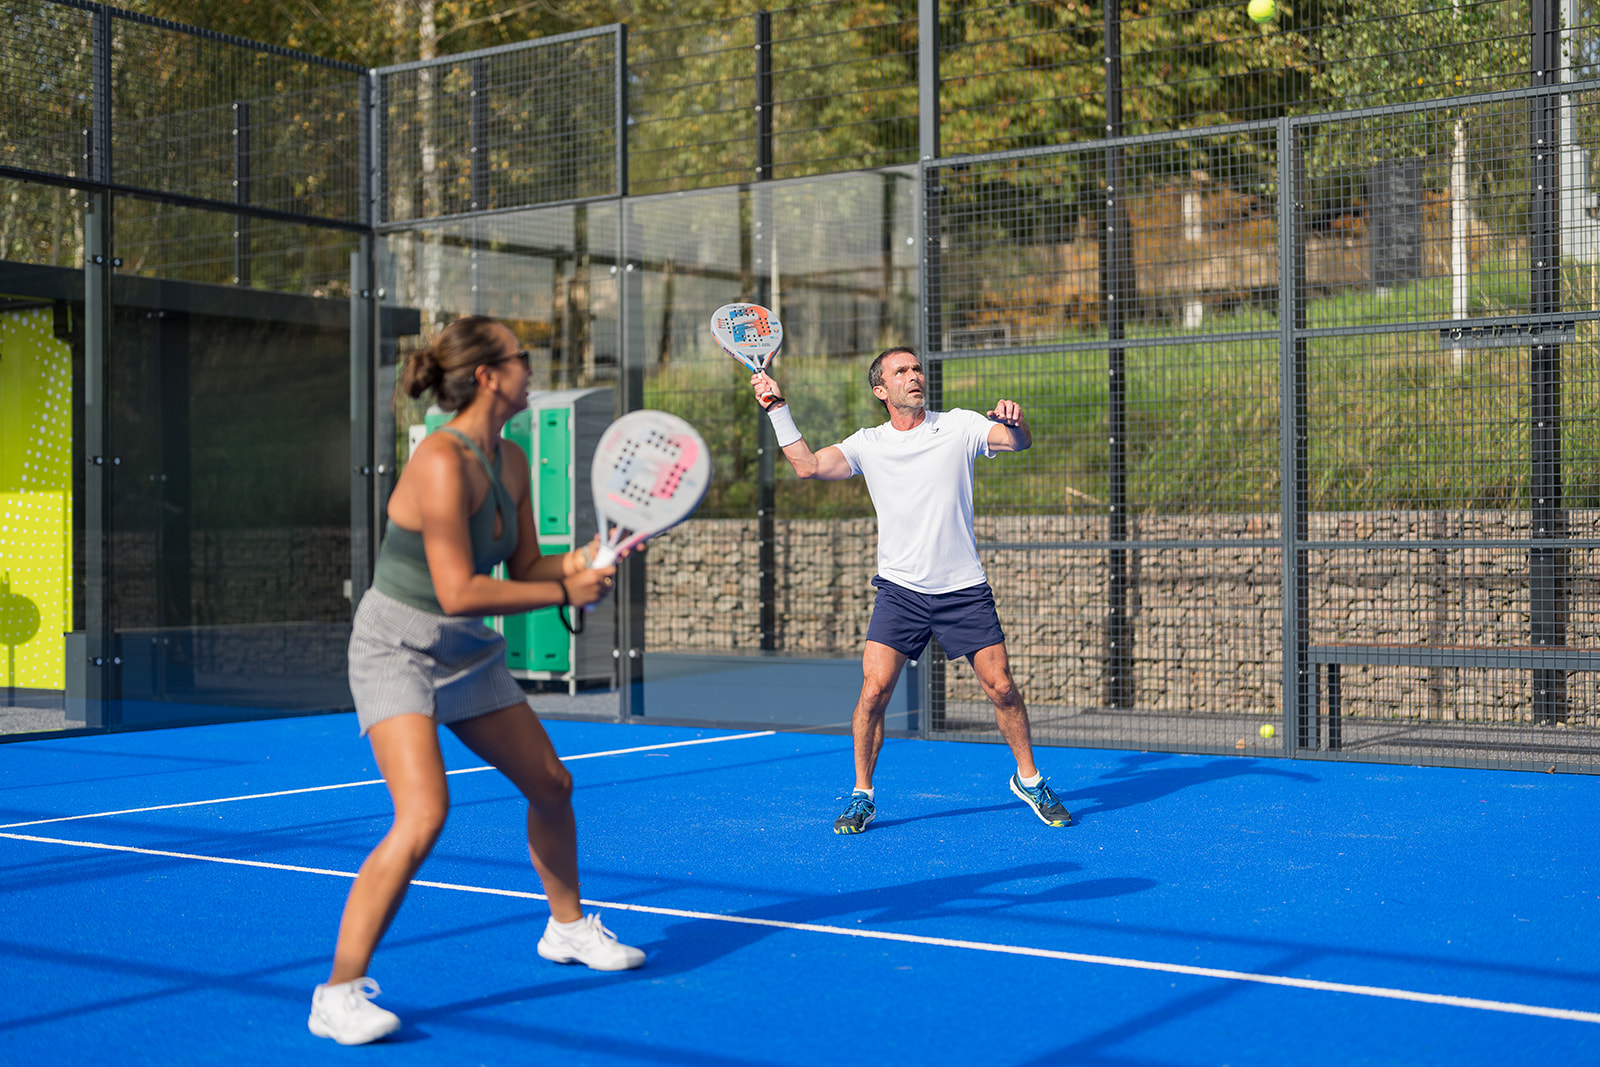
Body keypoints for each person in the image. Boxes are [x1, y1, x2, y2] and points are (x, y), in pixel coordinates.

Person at [309, 316, 644, 1046]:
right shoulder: (439, 459)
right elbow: (458, 587)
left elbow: (525, 568)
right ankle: (335, 992)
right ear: (490, 375)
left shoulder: (513, 459)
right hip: (395, 646)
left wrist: (579, 560)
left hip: (465, 651)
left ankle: (566, 928)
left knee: (552, 784)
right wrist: (568, 593)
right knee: (424, 814)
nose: (534, 368)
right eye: (524, 359)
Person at [751, 346, 1072, 835]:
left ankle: (1029, 780)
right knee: (874, 692)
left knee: (1002, 688)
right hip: (900, 592)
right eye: (901, 371)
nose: (914, 376)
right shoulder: (868, 443)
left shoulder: (960, 426)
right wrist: (778, 410)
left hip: (963, 588)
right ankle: (862, 795)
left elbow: (1017, 443)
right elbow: (808, 466)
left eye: (917, 368)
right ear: (882, 391)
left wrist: (1018, 422)